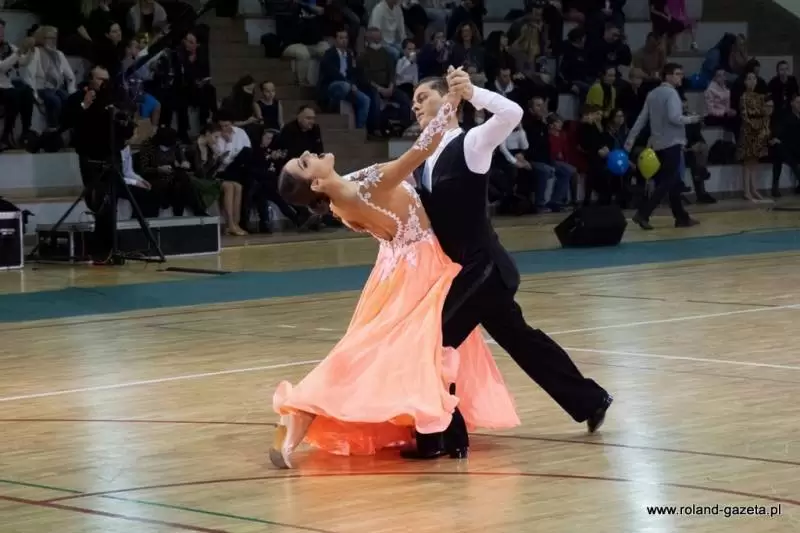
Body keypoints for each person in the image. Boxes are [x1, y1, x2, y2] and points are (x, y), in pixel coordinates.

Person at [269, 68, 519, 469]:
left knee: (376, 350)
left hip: (393, 269)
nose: (311, 154)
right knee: (416, 349)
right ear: (314, 184)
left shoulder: (340, 197)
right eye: (305, 162)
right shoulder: (362, 187)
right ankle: (434, 431)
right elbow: (419, 151)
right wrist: (453, 102)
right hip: (420, 267)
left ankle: (303, 417)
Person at [402, 69, 613, 461]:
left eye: (421, 97)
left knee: (435, 340)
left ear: (448, 100)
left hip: (483, 268)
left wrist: (474, 92)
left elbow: (512, 114)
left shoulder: (470, 143)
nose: (414, 106)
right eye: (412, 101)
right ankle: (590, 399)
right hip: (467, 273)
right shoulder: (421, 158)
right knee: (522, 340)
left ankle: (444, 436)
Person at [625, 63, 700, 230]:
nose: (681, 77)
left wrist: (629, 142)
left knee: (673, 182)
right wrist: (692, 119)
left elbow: (641, 119)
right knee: (668, 181)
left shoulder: (652, 94)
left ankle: (681, 217)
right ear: (668, 76)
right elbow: (674, 118)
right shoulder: (672, 93)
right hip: (672, 143)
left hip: (657, 144)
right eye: (677, 74)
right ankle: (643, 214)